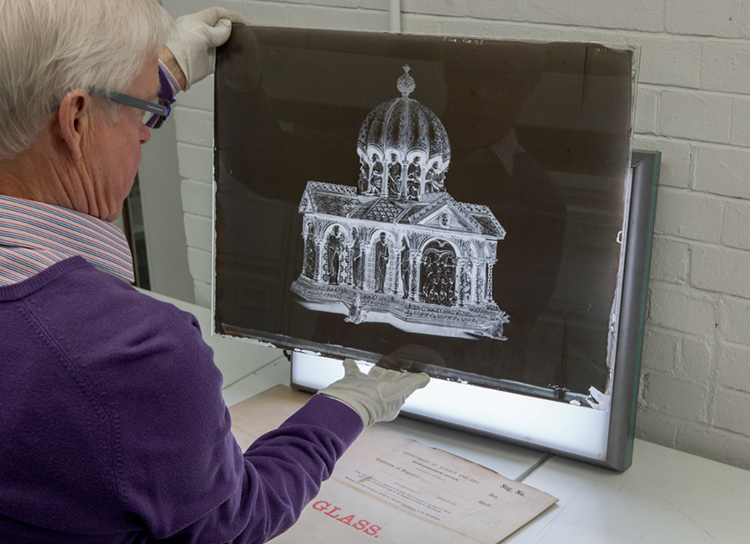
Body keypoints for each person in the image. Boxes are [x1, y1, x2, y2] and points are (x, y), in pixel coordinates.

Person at [0, 2, 429, 543]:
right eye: (143, 111)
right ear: (77, 119)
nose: (146, 133)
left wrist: (162, 77)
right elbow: (237, 520)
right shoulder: (133, 352)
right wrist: (346, 407)